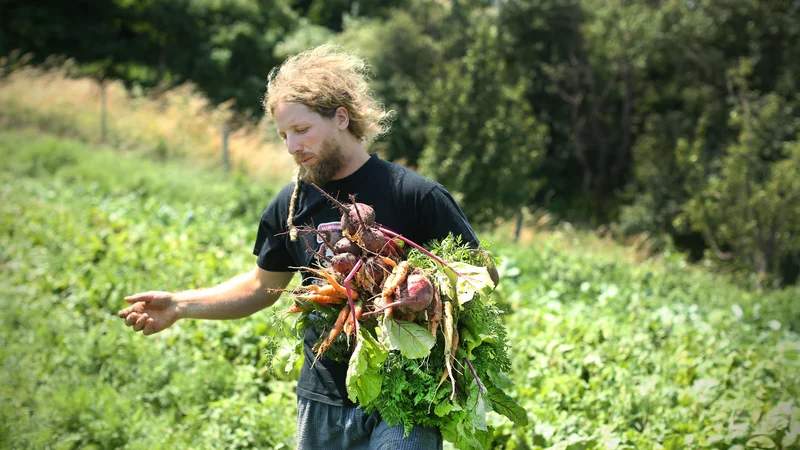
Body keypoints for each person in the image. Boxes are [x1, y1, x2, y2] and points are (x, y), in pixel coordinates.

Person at [118, 45, 487, 450]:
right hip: (322, 401)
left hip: (406, 398)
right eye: (283, 135)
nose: (292, 147)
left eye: (302, 130)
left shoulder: (415, 194)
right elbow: (261, 286)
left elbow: (483, 275)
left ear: (341, 118)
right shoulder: (290, 204)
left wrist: (422, 282)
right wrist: (179, 305)